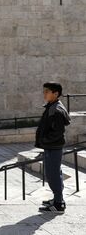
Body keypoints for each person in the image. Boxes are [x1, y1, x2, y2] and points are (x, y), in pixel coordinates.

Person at [36, 82, 71, 214]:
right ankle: (58, 199)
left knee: (53, 175)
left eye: (47, 91)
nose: (44, 93)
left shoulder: (56, 110)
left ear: (55, 94)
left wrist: (44, 141)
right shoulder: (52, 106)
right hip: (51, 147)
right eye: (44, 91)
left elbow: (57, 133)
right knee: (55, 173)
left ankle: (58, 204)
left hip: (53, 147)